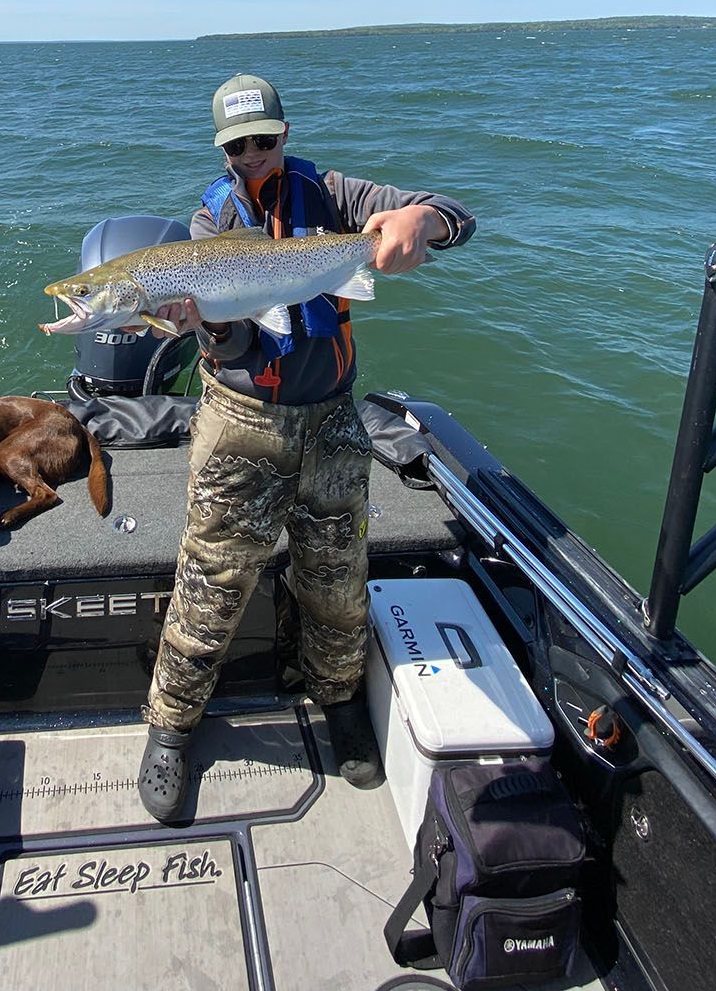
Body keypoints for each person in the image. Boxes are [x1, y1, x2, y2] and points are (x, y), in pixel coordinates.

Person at [138, 73, 475, 822]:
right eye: (239, 146)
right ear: (222, 149)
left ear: (284, 135)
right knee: (211, 581)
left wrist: (424, 220)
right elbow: (234, 342)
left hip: (331, 418)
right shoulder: (209, 224)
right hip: (241, 421)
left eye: (264, 140)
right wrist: (205, 322)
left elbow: (460, 216)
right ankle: (169, 725)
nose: (253, 155)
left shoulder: (337, 194)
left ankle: (342, 703)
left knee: (337, 578)